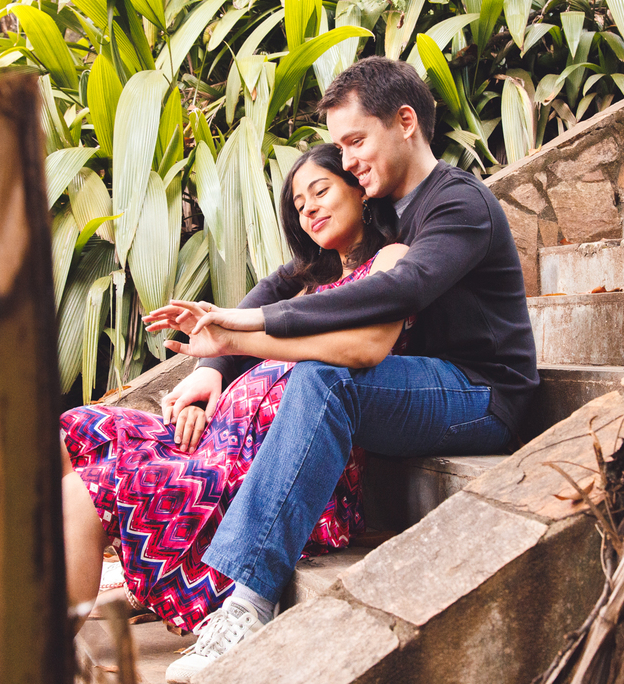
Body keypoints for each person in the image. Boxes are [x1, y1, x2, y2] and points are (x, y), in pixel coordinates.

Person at [145, 56, 539, 683]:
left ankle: (248, 600)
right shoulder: (385, 211)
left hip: (482, 394)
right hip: (421, 384)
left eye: (357, 141)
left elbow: (400, 290)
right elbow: (286, 280)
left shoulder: (458, 203)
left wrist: (258, 325)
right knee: (319, 373)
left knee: (326, 373)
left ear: (405, 122)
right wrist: (218, 359)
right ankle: (235, 594)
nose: (349, 160)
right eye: (341, 146)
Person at [59, 144, 411, 634]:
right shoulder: (308, 284)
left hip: (264, 473)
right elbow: (252, 317)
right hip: (217, 441)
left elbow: (361, 347)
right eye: (298, 203)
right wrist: (211, 378)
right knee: (71, 432)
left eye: (321, 190)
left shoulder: (390, 261)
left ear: (360, 188)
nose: (308, 207)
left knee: (83, 491)